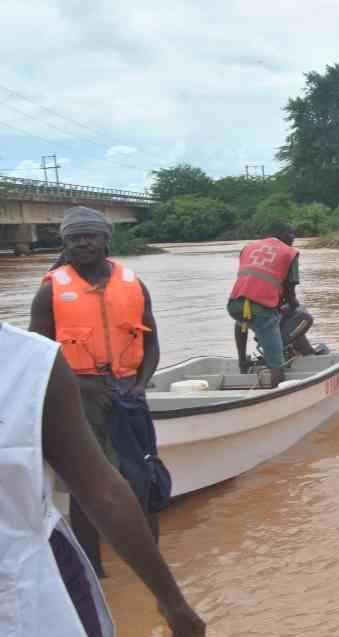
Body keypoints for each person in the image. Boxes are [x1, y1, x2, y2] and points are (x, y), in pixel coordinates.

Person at [0, 322, 205, 637]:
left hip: (22, 589)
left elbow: (103, 493)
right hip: (86, 399)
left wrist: (171, 601)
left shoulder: (32, 362)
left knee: (134, 478)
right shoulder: (47, 298)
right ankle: (98, 568)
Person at [29, 206, 160, 577]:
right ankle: (94, 571)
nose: (82, 243)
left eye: (89, 235)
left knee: (142, 479)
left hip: (128, 394)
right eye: (73, 238)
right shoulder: (50, 291)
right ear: (64, 243)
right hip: (75, 399)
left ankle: (152, 564)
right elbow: (37, 357)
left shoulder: (133, 283)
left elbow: (151, 344)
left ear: (106, 240)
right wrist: (82, 386)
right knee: (85, 487)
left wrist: (140, 383)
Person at [227, 220, 311, 387]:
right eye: (290, 233)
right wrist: (295, 308)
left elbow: (252, 278)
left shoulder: (249, 247)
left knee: (243, 321)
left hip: (235, 305)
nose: (293, 237)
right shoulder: (290, 253)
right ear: (281, 234)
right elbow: (290, 294)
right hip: (261, 310)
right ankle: (275, 391)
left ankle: (243, 362)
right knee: (276, 363)